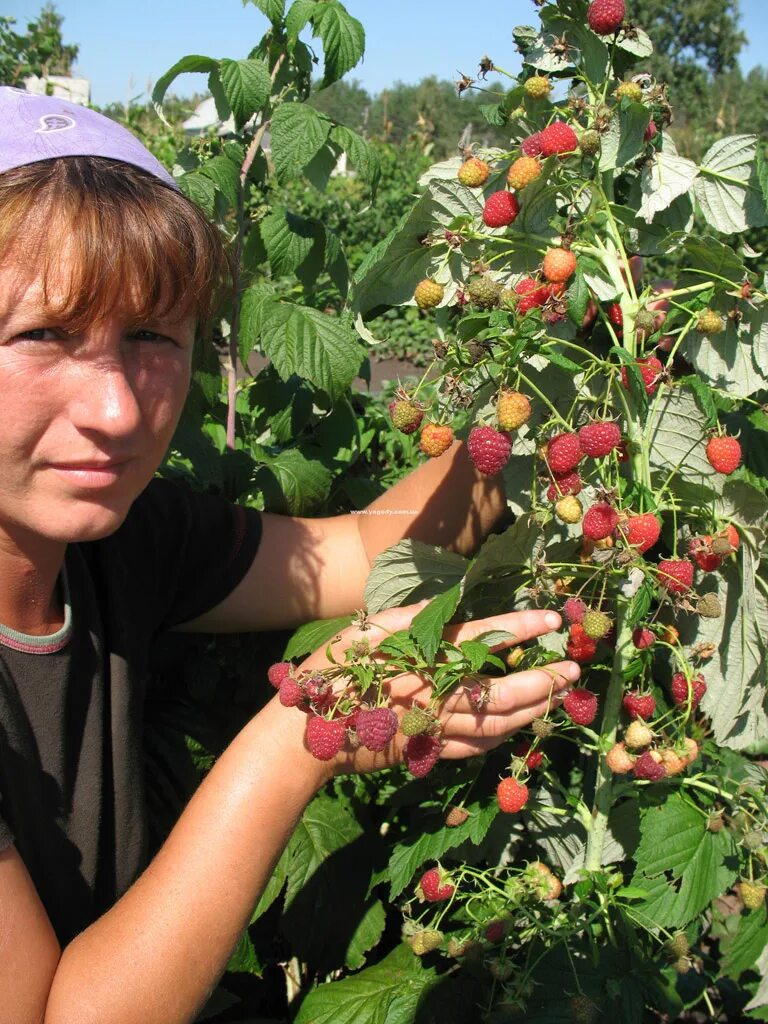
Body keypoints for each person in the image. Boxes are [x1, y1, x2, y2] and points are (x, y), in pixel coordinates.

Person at [0, 86, 580, 1024]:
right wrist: (300, 736)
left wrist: (548, 399)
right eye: (41, 336)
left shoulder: (118, 541)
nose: (115, 411)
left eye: (151, 336)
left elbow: (357, 549)